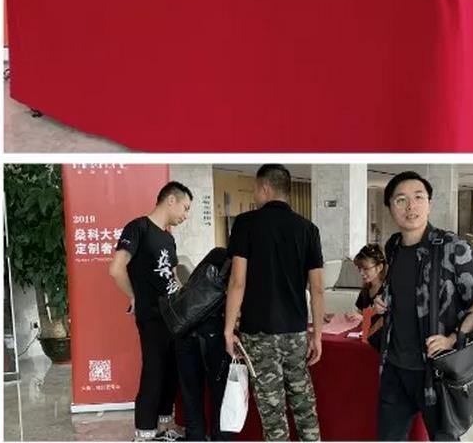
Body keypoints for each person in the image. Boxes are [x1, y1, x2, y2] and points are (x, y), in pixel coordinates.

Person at [375, 172, 473, 442]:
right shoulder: (393, 246)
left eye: (418, 197)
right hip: (394, 368)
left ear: (429, 204)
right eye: (401, 200)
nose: (411, 206)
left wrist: (453, 338)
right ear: (390, 207)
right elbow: (401, 289)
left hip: (436, 372)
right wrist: (382, 299)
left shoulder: (452, 247)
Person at [224, 164, 324, 442]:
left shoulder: (246, 224)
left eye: (256, 190)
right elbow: (317, 289)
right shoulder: (308, 229)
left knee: (273, 414)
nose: (255, 195)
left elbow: (238, 282)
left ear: (264, 188)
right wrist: (317, 335)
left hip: (259, 333)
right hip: (295, 332)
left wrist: (228, 330)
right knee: (304, 407)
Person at [109, 181, 192, 441]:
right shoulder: (138, 228)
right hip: (152, 315)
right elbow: (116, 269)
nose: (186, 215)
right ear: (171, 200)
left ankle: (164, 428)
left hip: (173, 315)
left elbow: (173, 278)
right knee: (154, 370)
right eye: (185, 208)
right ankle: (144, 433)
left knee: (171, 371)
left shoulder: (168, 238)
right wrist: (135, 296)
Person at [174, 247, 233, 442]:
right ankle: (220, 438)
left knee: (191, 394)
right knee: (221, 393)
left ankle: (195, 437)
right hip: (214, 334)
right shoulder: (242, 264)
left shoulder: (217, 254)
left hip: (185, 330)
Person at [352, 243, 387, 351]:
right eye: (359, 268)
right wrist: (354, 317)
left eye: (366, 268)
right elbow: (361, 314)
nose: (361, 273)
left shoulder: (387, 292)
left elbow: (384, 321)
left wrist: (364, 318)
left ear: (379, 267)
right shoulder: (365, 291)